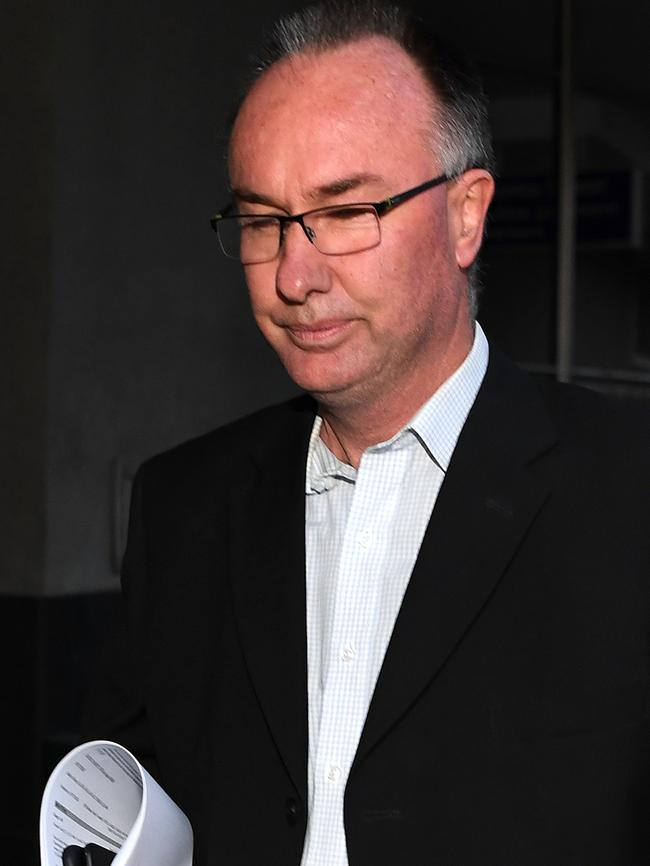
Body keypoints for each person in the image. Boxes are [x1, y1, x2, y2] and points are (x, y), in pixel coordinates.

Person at [85, 2, 650, 864]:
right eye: (264, 222)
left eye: (345, 212)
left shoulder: (626, 493)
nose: (294, 274)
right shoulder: (181, 507)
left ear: (466, 216)